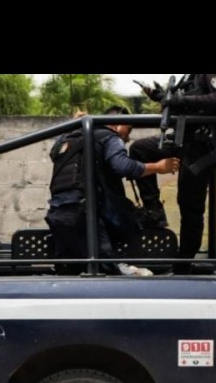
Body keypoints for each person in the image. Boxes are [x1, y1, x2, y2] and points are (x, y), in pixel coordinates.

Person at [45, 106, 180, 275]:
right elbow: (123, 166)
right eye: (128, 131)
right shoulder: (109, 137)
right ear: (117, 124)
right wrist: (159, 167)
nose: (128, 138)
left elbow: (54, 153)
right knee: (105, 272)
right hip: (85, 215)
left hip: (58, 214)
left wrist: (75, 125)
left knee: (70, 272)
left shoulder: (69, 138)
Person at [129, 74, 216, 263]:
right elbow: (193, 98)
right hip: (184, 138)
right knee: (140, 149)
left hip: (203, 144)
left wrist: (180, 99)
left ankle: (185, 261)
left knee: (189, 204)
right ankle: (154, 212)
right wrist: (162, 96)